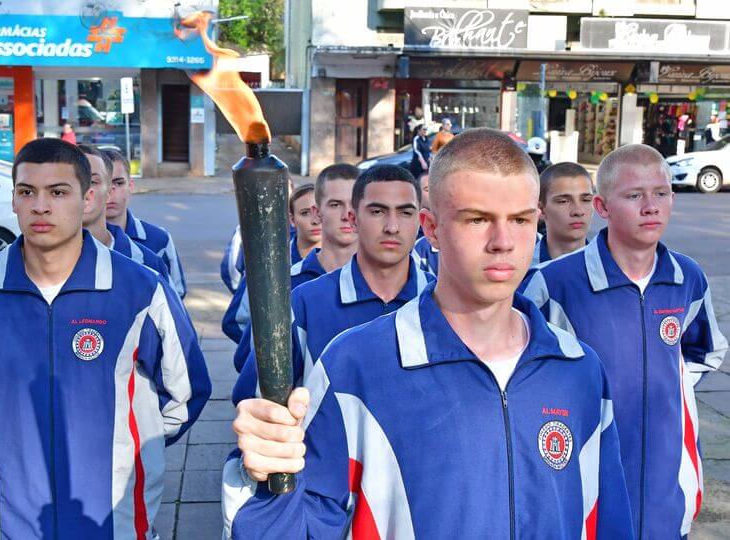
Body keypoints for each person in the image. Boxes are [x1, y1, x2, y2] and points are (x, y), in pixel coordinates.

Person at [224, 129, 633, 538]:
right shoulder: (354, 366)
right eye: (477, 219)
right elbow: (302, 527)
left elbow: (608, 517)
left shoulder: (577, 368)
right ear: (431, 229)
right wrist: (263, 476)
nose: (503, 242)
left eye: (521, 220)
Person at [0, 138, 211, 538]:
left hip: (114, 514)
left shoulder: (140, 290)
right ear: (13, 200)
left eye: (58, 192)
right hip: (7, 515)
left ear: (87, 198)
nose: (41, 206)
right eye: (27, 191)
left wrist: (131, 447)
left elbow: (185, 391)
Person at [521, 144, 727, 538]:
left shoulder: (688, 278)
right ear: (602, 207)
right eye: (634, 195)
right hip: (586, 485)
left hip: (667, 491)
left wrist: (671, 383)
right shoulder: (553, 284)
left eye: (662, 193)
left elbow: (706, 349)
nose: (651, 206)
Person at [229, 163, 432, 405]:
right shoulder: (301, 303)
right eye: (377, 212)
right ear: (354, 219)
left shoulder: (445, 302)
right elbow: (255, 401)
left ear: (420, 221)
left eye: (405, 213)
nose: (392, 227)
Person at [229, 163, 359, 372]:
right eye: (335, 205)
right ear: (318, 212)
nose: (346, 215)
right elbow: (247, 362)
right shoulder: (281, 285)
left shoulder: (387, 287)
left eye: (353, 204)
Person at [222, 183, 322, 344]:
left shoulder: (344, 263)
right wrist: (273, 356)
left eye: (319, 212)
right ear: (292, 219)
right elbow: (234, 322)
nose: (315, 221)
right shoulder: (269, 264)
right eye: (305, 213)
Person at [78, 145, 173, 284]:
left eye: (119, 182)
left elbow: (174, 293)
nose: (87, 192)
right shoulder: (44, 254)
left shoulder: (151, 253)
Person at [104, 150, 188, 298]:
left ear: (131, 185)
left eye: (119, 183)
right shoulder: (77, 241)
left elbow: (176, 293)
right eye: (103, 183)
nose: (111, 192)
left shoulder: (159, 239)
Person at [532, 162, 594, 266]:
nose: (578, 211)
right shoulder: (522, 271)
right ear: (541, 209)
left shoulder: (611, 269)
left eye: (586, 200)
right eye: (563, 201)